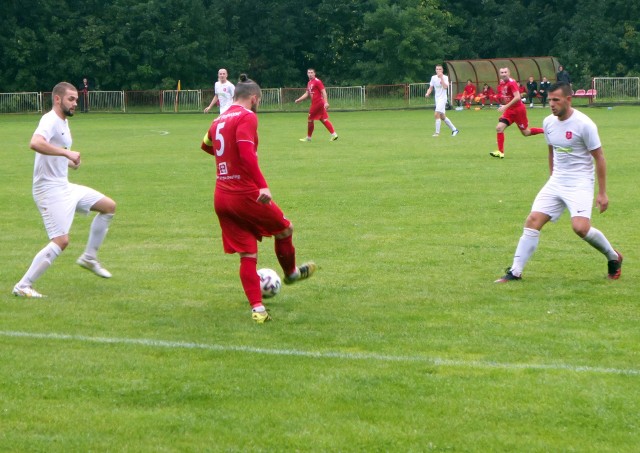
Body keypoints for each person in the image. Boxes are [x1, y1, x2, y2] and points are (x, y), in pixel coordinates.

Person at [201, 74, 317, 323]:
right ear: (254, 99)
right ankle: (291, 274)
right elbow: (246, 154)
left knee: (247, 254)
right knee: (285, 230)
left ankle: (258, 309)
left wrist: (226, 160)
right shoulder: (247, 117)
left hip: (221, 195)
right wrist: (262, 186)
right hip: (245, 194)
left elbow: (206, 145)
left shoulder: (218, 119)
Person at [495, 82, 623, 283]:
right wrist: (552, 177)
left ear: (568, 100)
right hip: (556, 181)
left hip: (580, 182)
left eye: (556, 100)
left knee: (580, 228)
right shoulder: (548, 122)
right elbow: (551, 151)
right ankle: (515, 272)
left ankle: (613, 257)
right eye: (549, 100)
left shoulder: (584, 124)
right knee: (532, 221)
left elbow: (599, 157)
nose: (552, 104)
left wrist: (602, 193)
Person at [12, 82, 116, 298]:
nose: (75, 103)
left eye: (76, 99)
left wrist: (67, 161)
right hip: (48, 190)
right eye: (71, 99)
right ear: (57, 99)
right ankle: (23, 286)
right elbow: (35, 143)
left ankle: (89, 257)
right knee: (61, 240)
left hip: (64, 186)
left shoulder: (63, 122)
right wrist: (67, 154)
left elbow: (51, 151)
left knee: (108, 206)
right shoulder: (49, 120)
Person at [489, 67, 544, 159]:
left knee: (526, 132)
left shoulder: (511, 83)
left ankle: (544, 130)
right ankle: (500, 152)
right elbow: (503, 95)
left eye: (505, 72)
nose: (504, 74)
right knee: (499, 128)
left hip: (519, 111)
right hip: (510, 111)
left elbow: (517, 97)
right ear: (499, 74)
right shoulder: (502, 84)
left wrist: (505, 106)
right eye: (502, 72)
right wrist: (496, 97)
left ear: (509, 73)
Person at [295, 68, 338, 142]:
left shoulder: (317, 81)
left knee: (310, 120)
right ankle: (334, 135)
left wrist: (326, 102)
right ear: (307, 74)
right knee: (323, 119)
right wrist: (299, 100)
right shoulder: (309, 83)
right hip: (317, 103)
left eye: (312, 72)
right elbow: (307, 93)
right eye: (309, 72)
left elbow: (324, 92)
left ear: (314, 73)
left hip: (318, 103)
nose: (310, 74)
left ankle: (309, 138)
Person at [425, 64, 459, 137]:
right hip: (437, 99)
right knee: (443, 117)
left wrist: (441, 79)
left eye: (440, 69)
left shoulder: (445, 77)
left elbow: (445, 87)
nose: (438, 71)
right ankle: (454, 130)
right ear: (435, 70)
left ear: (442, 70)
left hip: (443, 99)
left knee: (436, 114)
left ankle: (437, 133)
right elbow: (430, 87)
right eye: (437, 69)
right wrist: (427, 93)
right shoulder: (433, 78)